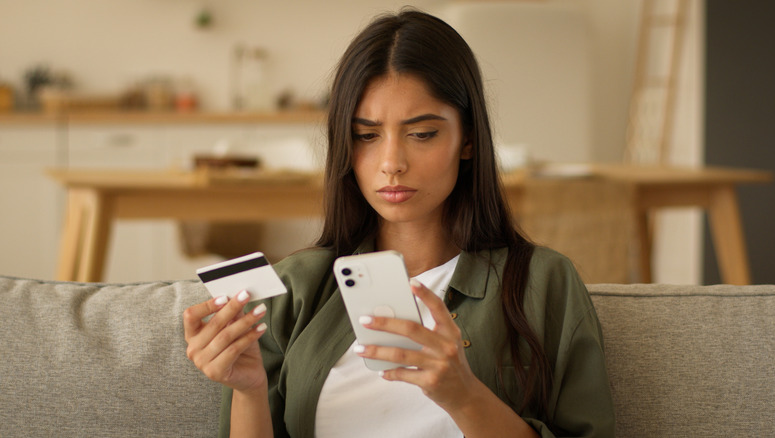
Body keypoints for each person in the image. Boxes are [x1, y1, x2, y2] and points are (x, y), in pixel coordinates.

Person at [183, 8, 615, 438]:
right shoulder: (295, 290)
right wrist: (250, 392)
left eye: (422, 134)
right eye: (367, 136)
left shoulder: (543, 283)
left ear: (467, 139)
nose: (391, 164)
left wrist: (465, 396)